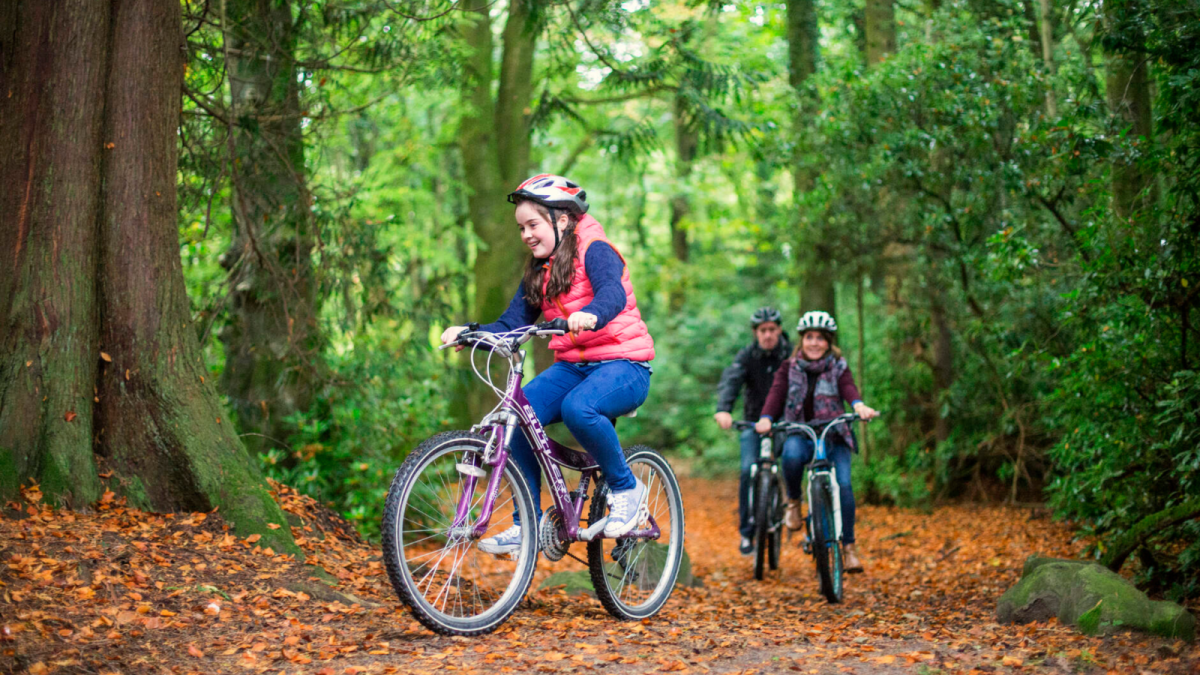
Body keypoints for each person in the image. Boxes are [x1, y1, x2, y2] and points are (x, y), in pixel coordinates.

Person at [440, 174, 655, 555]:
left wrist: (592, 314)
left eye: (533, 225)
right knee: (518, 418)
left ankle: (627, 489)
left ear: (563, 220)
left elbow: (613, 293)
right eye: (521, 227)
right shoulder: (540, 269)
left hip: (625, 363)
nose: (526, 234)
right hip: (574, 366)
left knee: (578, 408)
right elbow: (511, 323)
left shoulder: (595, 248)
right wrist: (471, 333)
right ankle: (526, 522)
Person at [755, 310, 878, 573]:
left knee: (844, 485)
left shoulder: (838, 366)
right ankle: (794, 502)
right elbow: (777, 394)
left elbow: (849, 388)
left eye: (820, 338)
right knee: (790, 456)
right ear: (802, 340)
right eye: (809, 337)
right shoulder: (789, 367)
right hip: (801, 432)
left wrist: (859, 406)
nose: (814, 343)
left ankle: (849, 548)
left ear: (828, 342)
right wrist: (766, 417)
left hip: (834, 434)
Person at [714, 307, 791, 556]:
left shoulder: (791, 354)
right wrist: (724, 409)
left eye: (772, 330)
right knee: (748, 470)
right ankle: (747, 532)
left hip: (784, 423)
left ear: (779, 330)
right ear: (755, 332)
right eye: (762, 330)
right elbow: (732, 380)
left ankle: (791, 510)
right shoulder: (747, 355)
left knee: (792, 462)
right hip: (753, 423)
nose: (767, 335)